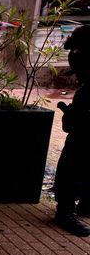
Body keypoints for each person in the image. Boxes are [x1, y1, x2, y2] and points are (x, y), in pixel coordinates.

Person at [54, 25, 90, 236]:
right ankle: (65, 208)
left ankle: (83, 202)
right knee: (75, 153)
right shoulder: (79, 53)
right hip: (86, 106)